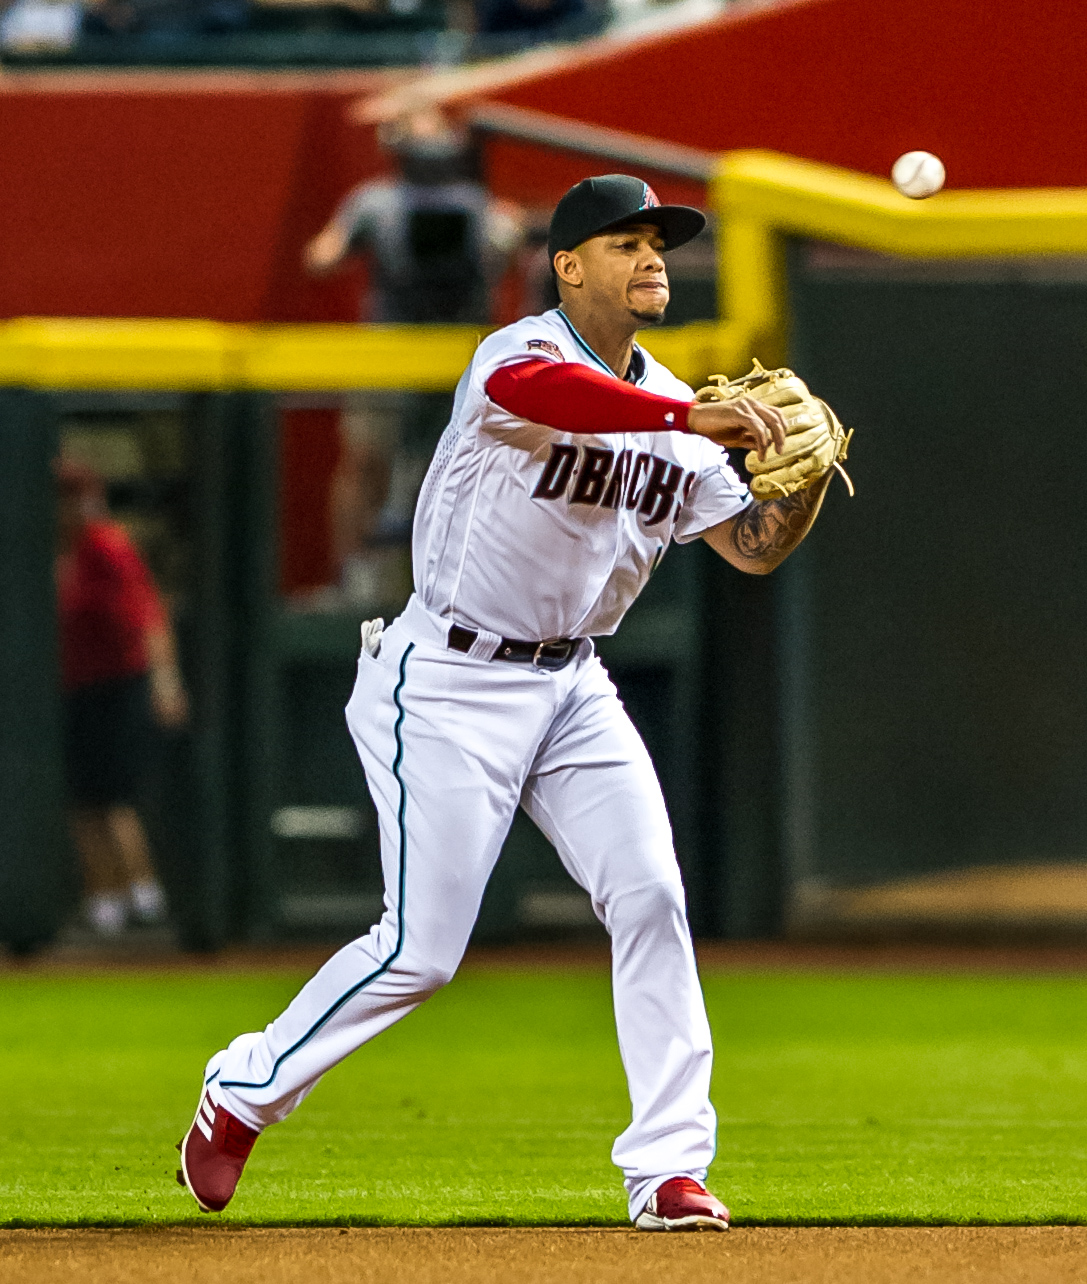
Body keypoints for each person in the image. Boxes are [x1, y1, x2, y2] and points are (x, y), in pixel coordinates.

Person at [178, 174, 835, 1230]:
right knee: (420, 951)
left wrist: (795, 483)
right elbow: (550, 398)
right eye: (625, 242)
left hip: (573, 685)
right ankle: (244, 1089)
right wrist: (694, 414)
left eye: (659, 243)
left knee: (651, 899)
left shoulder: (674, 416)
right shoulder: (517, 355)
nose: (652, 257)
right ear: (567, 266)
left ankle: (667, 1168)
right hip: (446, 678)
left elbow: (749, 547)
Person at [304, 107, 522, 604]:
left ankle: (460, 585)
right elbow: (321, 257)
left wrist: (504, 239)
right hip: (390, 359)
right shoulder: (373, 203)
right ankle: (354, 579)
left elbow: (507, 261)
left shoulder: (480, 209)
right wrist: (347, 244)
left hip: (457, 367)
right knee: (365, 463)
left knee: (461, 472)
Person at [56, 460, 188, 937]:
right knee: (85, 801)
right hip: (77, 688)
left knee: (114, 800)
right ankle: (105, 903)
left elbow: (149, 615)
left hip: (118, 686)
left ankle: (145, 899)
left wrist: (166, 681)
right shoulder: (60, 549)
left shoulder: (107, 546)